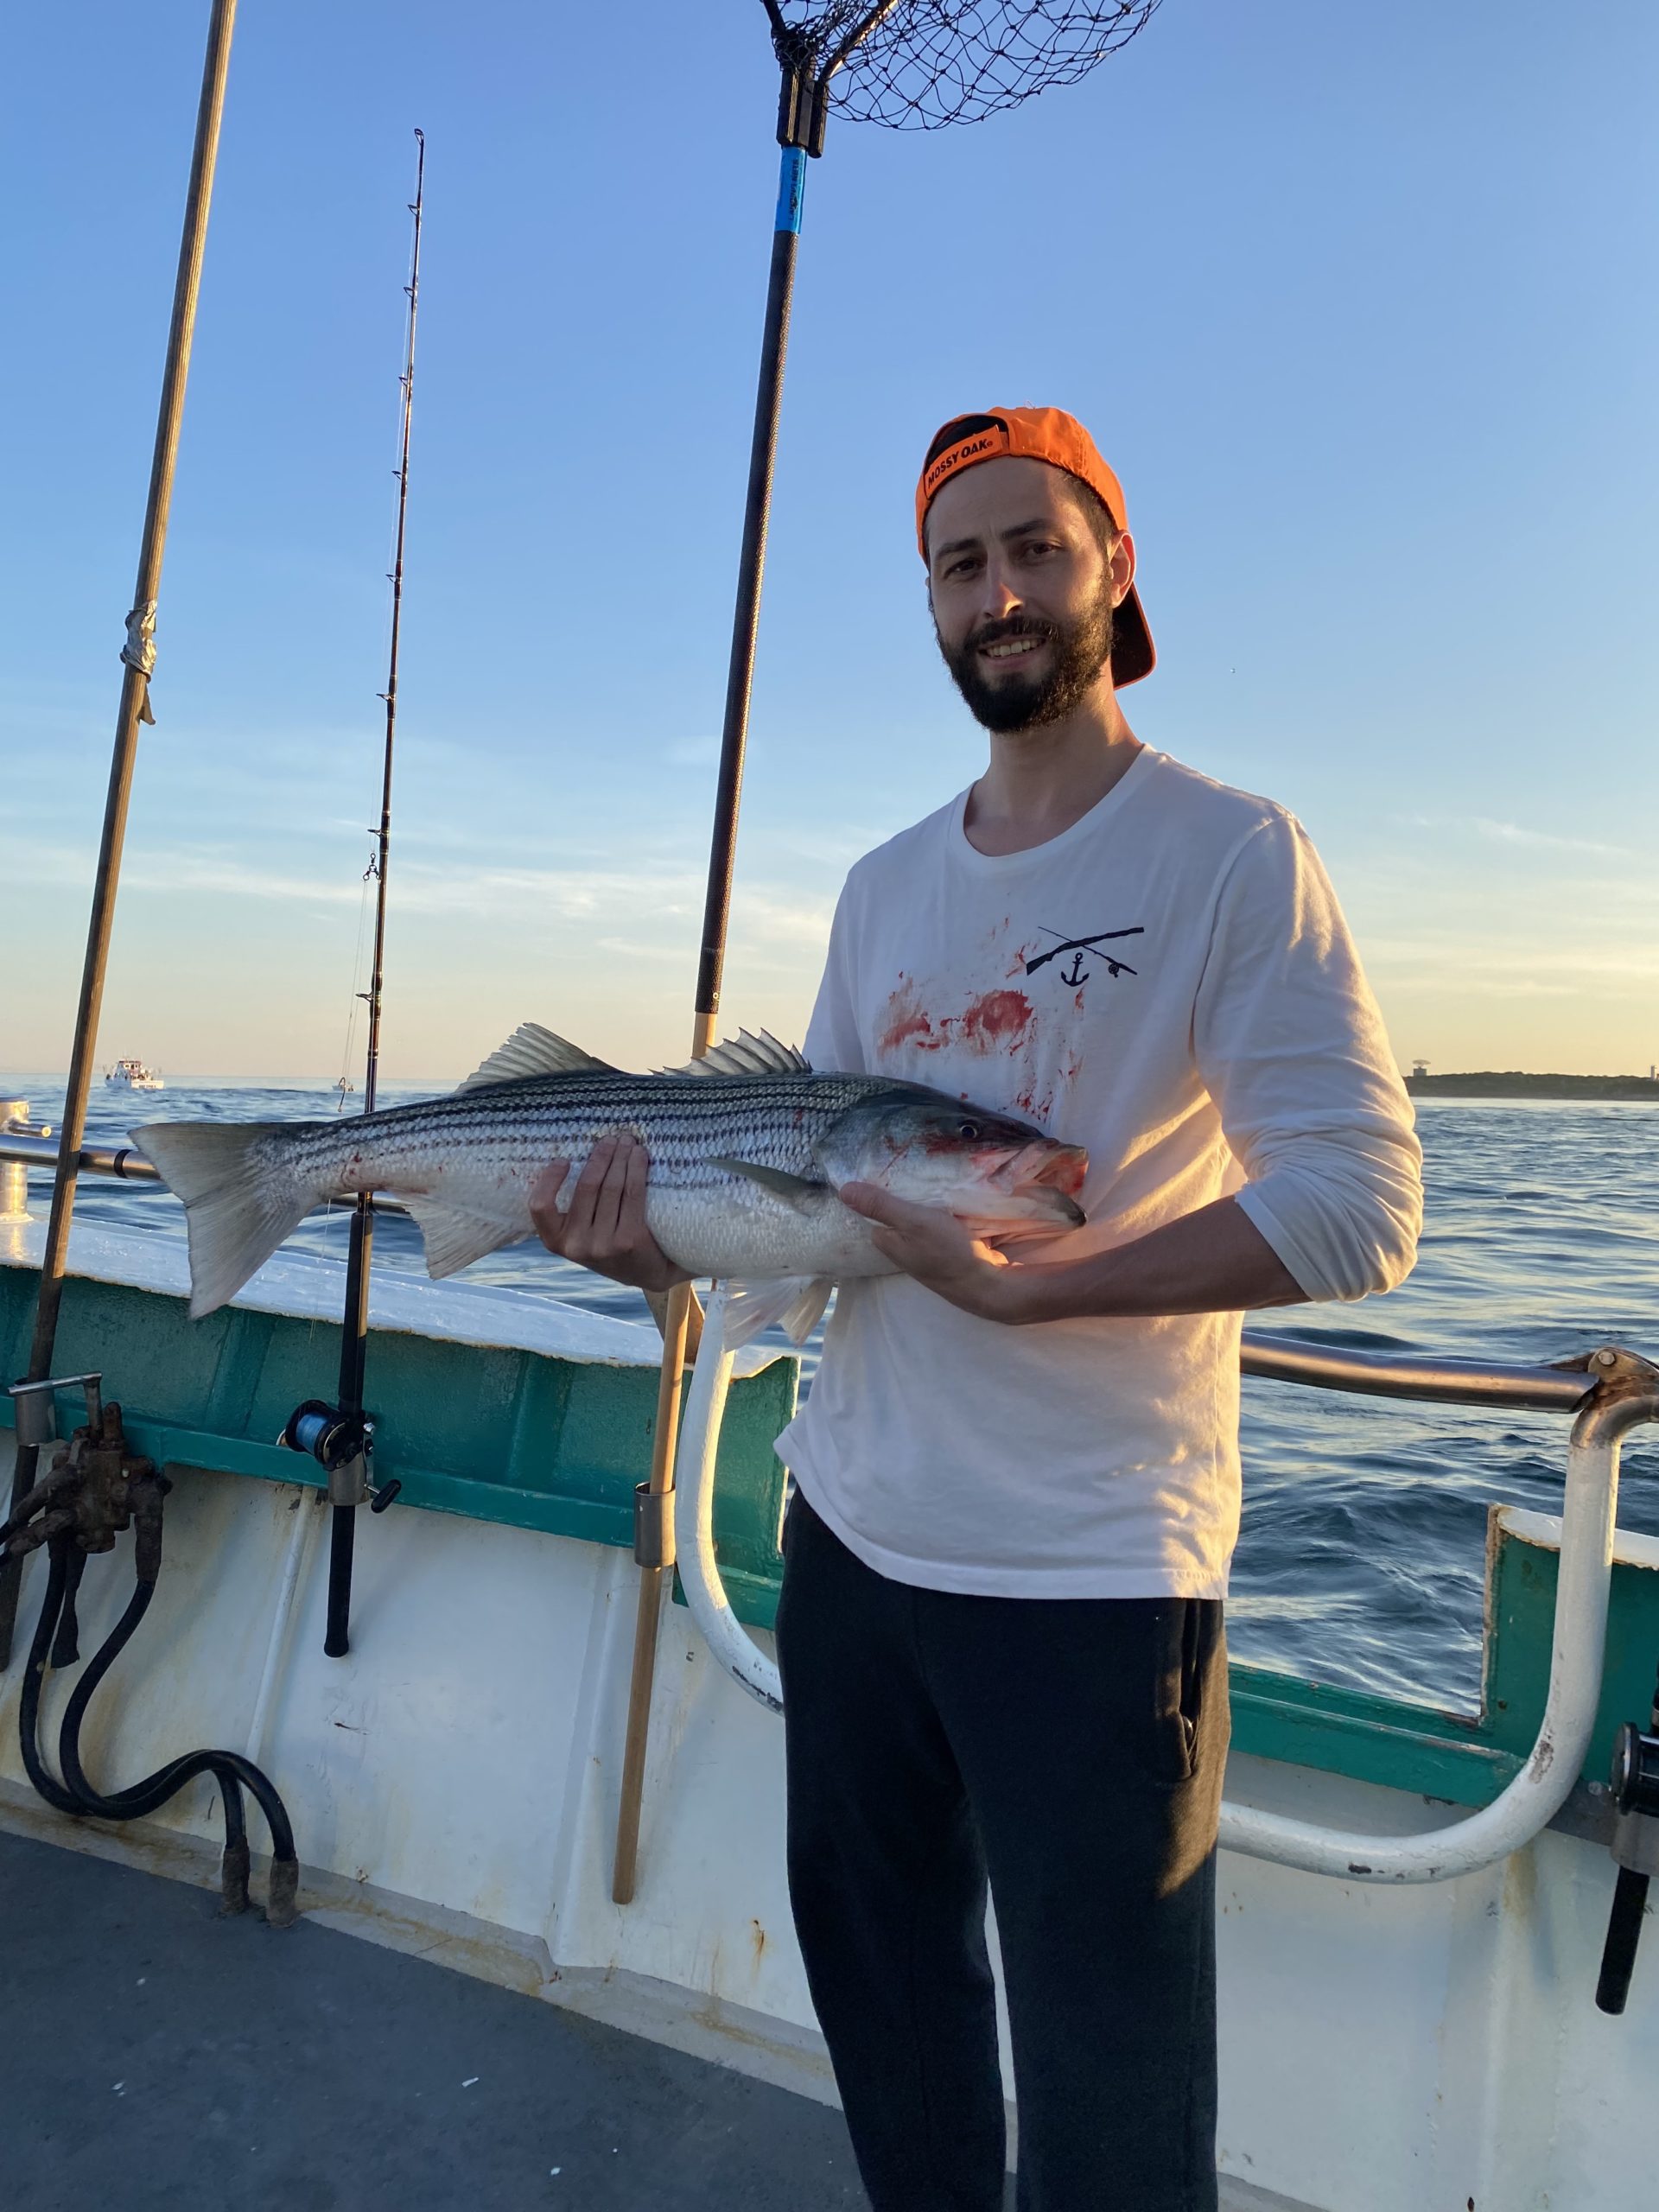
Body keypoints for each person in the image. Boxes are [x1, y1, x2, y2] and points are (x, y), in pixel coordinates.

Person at [529, 407, 1422, 2212]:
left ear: (1115, 567)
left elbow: (1360, 1205)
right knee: (895, 2025)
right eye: (961, 562)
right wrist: (659, 1257)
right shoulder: (883, 887)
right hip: (853, 1538)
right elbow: (817, 1229)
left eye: (1035, 548)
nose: (999, 592)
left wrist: (1044, 1290)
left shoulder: (1233, 854)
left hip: (1094, 1575)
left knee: (1110, 2103)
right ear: (930, 601)